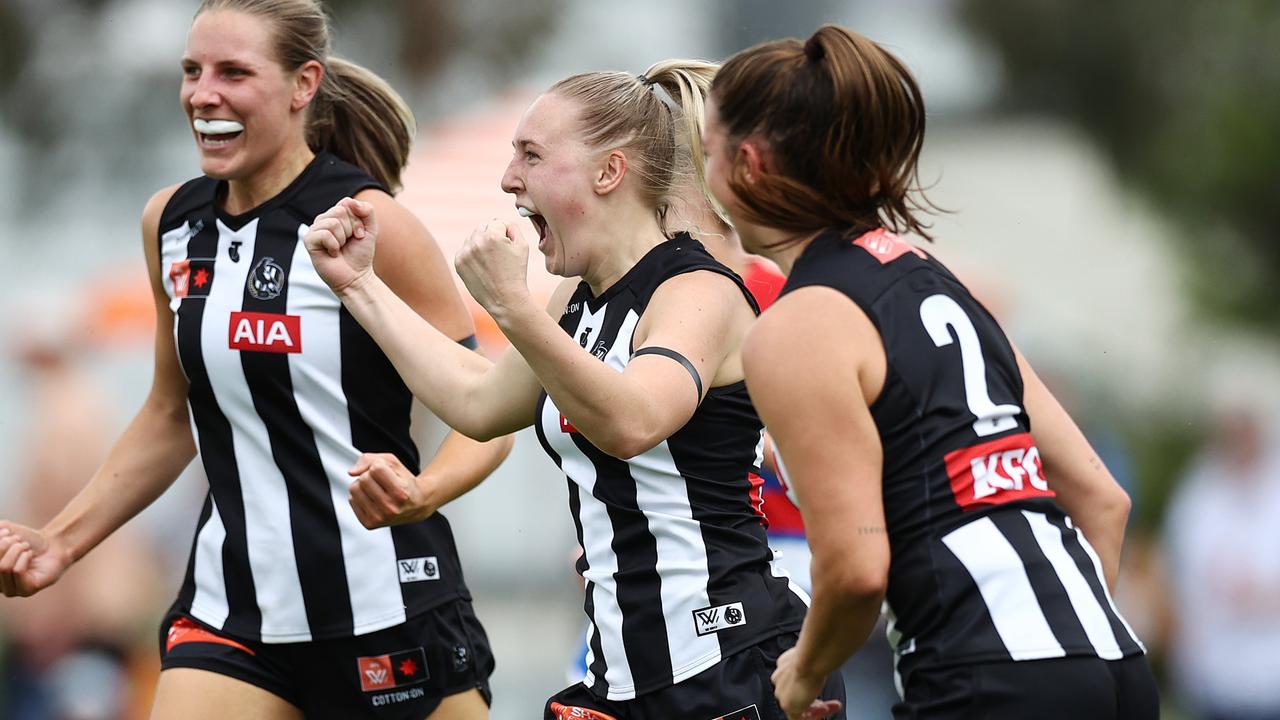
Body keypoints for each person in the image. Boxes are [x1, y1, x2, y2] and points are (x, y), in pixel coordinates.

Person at [0, 1, 512, 718]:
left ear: (304, 85)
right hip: (231, 611)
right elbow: (168, 415)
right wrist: (59, 542)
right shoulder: (171, 225)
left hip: (385, 604)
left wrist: (425, 491)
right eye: (192, 72)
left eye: (233, 72)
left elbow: (490, 411)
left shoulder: (374, 226)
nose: (202, 94)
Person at [302, 59, 844, 719]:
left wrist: (512, 306)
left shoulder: (698, 291)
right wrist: (358, 286)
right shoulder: (576, 301)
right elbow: (479, 404)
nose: (508, 179)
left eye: (531, 155)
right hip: (625, 670)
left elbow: (635, 421)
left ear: (609, 172)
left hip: (725, 664)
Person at [700, 24, 1158, 720]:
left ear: (749, 163)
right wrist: (1066, 651)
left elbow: (855, 571)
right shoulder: (940, 285)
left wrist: (801, 675)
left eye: (706, 152)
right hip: (1112, 663)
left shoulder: (798, 324)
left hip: (987, 676)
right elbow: (1103, 501)